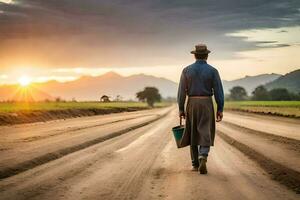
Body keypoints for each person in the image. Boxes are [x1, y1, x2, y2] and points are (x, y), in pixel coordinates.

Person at [177, 44, 224, 174]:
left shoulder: (186, 70)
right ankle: (203, 155)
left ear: (195, 55)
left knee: (192, 132)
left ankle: (195, 164)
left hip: (192, 103)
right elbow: (219, 91)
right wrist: (220, 108)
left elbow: (181, 92)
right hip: (206, 103)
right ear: (207, 55)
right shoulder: (213, 71)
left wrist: (181, 108)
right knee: (205, 131)